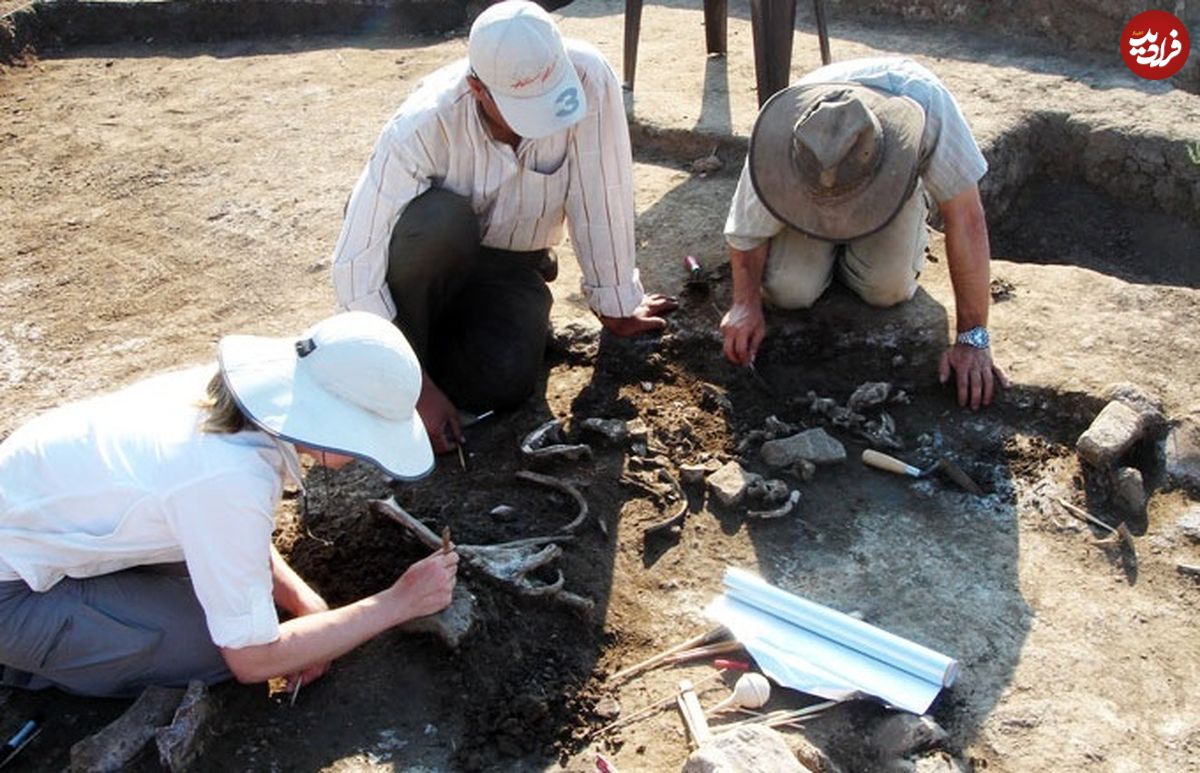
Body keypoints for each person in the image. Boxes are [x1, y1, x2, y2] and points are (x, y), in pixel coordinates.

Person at [0, 312, 459, 698]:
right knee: (209, 648)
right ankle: (35, 663)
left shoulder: (232, 404)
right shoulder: (228, 478)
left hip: (46, 536)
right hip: (14, 593)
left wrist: (303, 602)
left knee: (242, 609)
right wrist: (398, 602)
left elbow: (224, 518)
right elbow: (252, 659)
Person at [331, 0, 676, 453]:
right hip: (423, 263)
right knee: (440, 223)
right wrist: (412, 391)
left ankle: (429, 361)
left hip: (509, 264)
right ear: (478, 88)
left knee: (508, 378)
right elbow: (354, 268)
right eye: (524, 108)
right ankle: (396, 367)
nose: (541, 124)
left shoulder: (588, 77)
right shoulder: (421, 126)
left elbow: (602, 188)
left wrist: (615, 301)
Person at [720, 57, 1010, 410]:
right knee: (789, 289)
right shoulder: (785, 134)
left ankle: (857, 257)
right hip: (808, 203)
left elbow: (966, 218)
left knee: (887, 286)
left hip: (889, 190)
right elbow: (747, 226)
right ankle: (828, 260)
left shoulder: (929, 106)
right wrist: (745, 303)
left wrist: (972, 336)